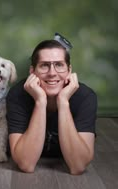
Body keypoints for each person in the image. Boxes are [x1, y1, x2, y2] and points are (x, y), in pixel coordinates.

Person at [6, 33, 97, 175]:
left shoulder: (86, 97)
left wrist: (63, 102)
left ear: (69, 70)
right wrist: (40, 101)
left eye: (59, 65)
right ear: (32, 71)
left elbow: (78, 166)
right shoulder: (17, 95)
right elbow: (26, 163)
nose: (52, 73)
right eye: (44, 66)